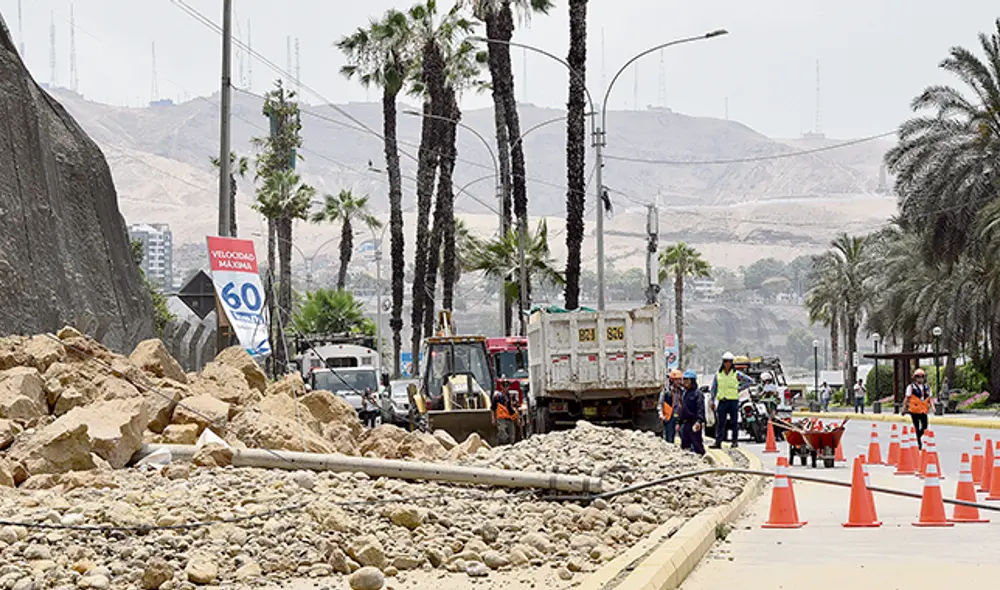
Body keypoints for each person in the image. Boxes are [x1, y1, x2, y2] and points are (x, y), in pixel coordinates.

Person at [710, 352, 753, 449]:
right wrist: (712, 401)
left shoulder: (736, 374)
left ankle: (734, 441)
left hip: (733, 401)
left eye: (729, 361)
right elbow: (714, 388)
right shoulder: (718, 374)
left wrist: (740, 388)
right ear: (723, 362)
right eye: (725, 361)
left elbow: (750, 381)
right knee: (720, 423)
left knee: (734, 423)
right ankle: (718, 442)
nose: (727, 363)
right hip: (722, 401)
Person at [677, 370, 706, 455]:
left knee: (697, 444)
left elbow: (700, 409)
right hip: (686, 424)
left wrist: (699, 422)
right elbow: (682, 409)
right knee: (685, 446)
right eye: (684, 380)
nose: (685, 382)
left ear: (692, 381)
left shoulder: (698, 394)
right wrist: (679, 422)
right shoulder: (685, 393)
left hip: (694, 424)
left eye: (687, 380)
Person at [905, 368, 932, 449]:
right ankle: (919, 444)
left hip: (923, 411)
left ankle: (917, 437)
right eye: (918, 377)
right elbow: (907, 398)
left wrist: (933, 407)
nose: (920, 378)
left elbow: (929, 398)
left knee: (925, 426)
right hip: (914, 411)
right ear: (915, 378)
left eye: (922, 377)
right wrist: (904, 408)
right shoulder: (911, 387)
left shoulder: (927, 387)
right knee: (916, 427)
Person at [658, 369, 683, 443]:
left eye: (679, 380)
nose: (678, 382)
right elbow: (660, 403)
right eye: (676, 380)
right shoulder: (666, 391)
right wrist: (661, 414)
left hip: (679, 417)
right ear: (672, 380)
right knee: (669, 437)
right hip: (669, 417)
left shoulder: (681, 391)